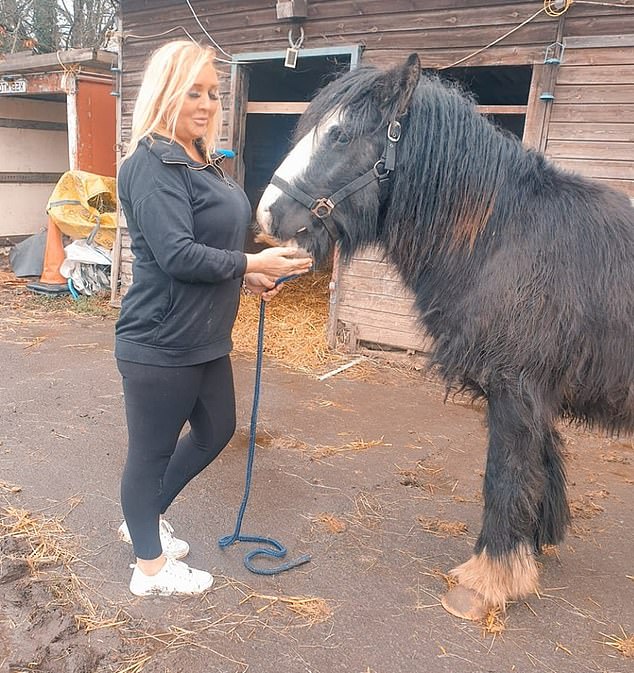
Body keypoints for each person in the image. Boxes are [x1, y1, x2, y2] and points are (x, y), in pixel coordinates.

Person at [115, 40, 312, 597]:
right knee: (150, 454)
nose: (205, 103)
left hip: (204, 338)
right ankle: (149, 569)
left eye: (211, 92)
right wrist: (250, 260)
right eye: (192, 92)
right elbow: (176, 254)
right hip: (159, 340)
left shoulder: (204, 161)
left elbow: (207, 244)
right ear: (164, 94)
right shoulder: (152, 163)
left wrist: (245, 276)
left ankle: (143, 521)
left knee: (217, 430)